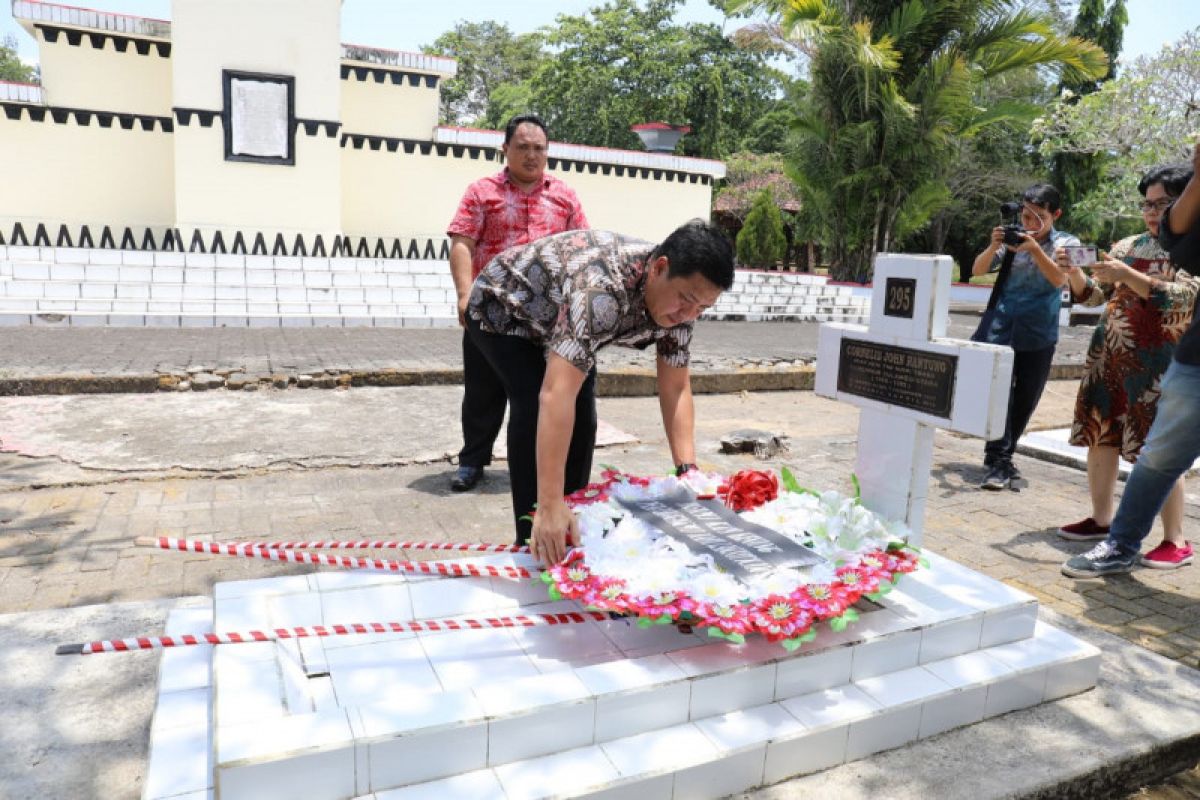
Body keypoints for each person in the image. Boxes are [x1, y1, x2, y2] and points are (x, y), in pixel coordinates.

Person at [463, 220, 735, 563]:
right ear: (659, 268)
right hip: (505, 308)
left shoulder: (684, 308)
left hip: (558, 318)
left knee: (584, 418)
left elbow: (676, 386)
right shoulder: (601, 289)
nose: (688, 315)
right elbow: (554, 395)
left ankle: (574, 524)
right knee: (536, 405)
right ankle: (536, 532)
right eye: (686, 301)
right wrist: (548, 503)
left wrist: (688, 473)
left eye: (702, 309)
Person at [1063, 137, 1200, 578]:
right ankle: (1104, 523)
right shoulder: (1127, 245)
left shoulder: (1186, 248)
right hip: (1112, 361)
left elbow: (1183, 300)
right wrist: (1075, 271)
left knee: (1159, 452)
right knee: (1104, 440)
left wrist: (1130, 278)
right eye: (1147, 204)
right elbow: (1091, 295)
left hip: (1161, 363)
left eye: (1161, 204)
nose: (1152, 212)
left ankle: (1174, 538)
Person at [445, 114, 589, 492]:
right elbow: (462, 242)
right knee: (482, 392)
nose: (531, 155)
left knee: (539, 394)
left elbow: (581, 250)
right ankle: (472, 461)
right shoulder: (481, 192)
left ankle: (536, 464)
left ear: (548, 152)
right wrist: (463, 294)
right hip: (491, 311)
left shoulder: (565, 196)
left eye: (538, 148)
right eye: (522, 147)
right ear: (505, 149)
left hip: (545, 318)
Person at [972, 184, 1081, 491]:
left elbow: (1060, 279)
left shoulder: (1065, 244)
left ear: (1055, 215)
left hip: (1039, 333)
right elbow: (977, 270)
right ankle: (997, 460)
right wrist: (993, 246)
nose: (1031, 223)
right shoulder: (1013, 237)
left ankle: (1001, 458)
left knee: (1025, 400)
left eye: (1039, 216)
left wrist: (1034, 249)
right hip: (1001, 329)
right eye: (1025, 214)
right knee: (999, 397)